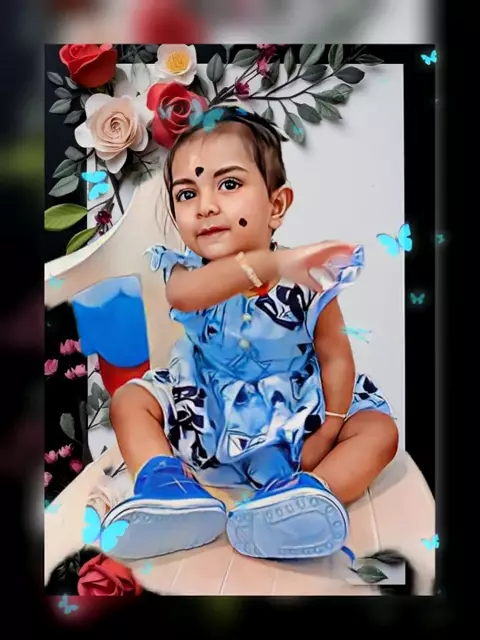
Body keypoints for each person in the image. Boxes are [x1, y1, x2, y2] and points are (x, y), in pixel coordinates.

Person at [105, 106, 398, 561]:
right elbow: (184, 297)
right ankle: (167, 488)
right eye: (187, 193)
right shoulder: (185, 273)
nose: (205, 206)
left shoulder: (310, 282)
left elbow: (336, 356)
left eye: (228, 184)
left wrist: (330, 429)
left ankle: (302, 500)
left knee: (379, 431)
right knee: (129, 401)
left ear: (276, 206)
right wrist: (275, 263)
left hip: (295, 415)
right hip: (205, 409)